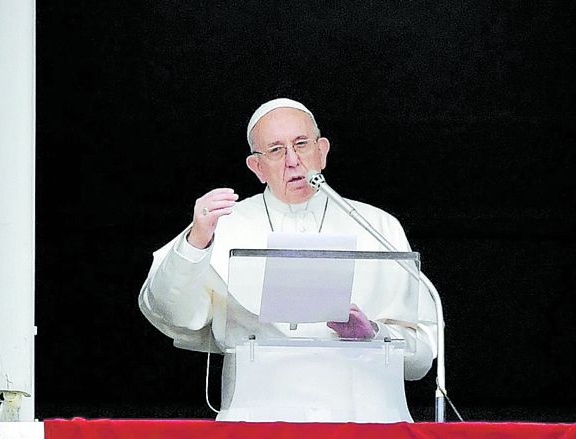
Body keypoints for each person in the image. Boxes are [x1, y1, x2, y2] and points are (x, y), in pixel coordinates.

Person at [139, 98, 437, 422]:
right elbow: (170, 311)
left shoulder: (378, 226)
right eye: (276, 150)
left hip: (364, 425)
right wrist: (197, 242)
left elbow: (420, 358)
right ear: (257, 167)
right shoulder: (224, 225)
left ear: (321, 151)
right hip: (257, 426)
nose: (293, 161)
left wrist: (373, 334)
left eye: (301, 144)